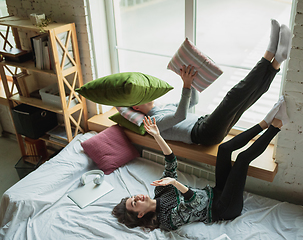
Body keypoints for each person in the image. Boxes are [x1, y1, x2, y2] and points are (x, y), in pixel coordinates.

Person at [112, 97, 289, 231]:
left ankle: (263, 124)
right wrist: (174, 182)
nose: (137, 197)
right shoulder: (166, 220)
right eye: (135, 203)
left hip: (215, 192)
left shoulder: (160, 190)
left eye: (133, 197)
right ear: (141, 214)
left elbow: (171, 161)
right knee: (242, 160)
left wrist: (157, 136)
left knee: (224, 149)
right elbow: (193, 202)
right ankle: (277, 125)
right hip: (223, 208)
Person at [131, 19, 292, 145]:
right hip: (204, 133)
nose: (146, 92)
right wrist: (186, 86)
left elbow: (193, 101)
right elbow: (180, 116)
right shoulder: (152, 124)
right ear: (136, 107)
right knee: (234, 95)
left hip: (206, 124)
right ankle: (269, 53)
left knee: (246, 99)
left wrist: (190, 81)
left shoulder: (164, 108)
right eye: (141, 95)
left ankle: (277, 60)